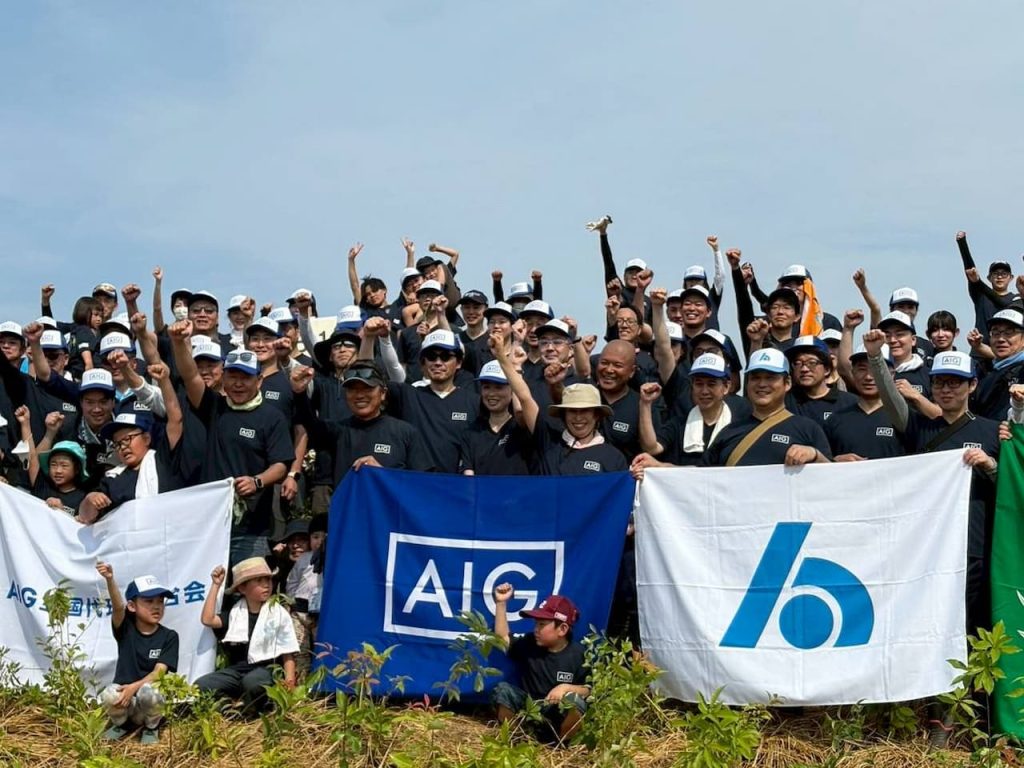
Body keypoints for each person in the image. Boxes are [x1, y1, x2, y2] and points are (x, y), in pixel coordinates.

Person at [866, 335, 998, 634]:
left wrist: (990, 465)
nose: (946, 390)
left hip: (974, 543)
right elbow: (891, 398)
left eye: (955, 383)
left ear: (972, 385)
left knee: (973, 621)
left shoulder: (993, 432)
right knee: (928, 618)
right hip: (926, 544)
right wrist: (875, 358)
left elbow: (1010, 486)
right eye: (939, 383)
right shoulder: (916, 426)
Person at [196, 559, 298, 714]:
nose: (266, 585)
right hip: (237, 671)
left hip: (266, 670)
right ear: (242, 588)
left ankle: (252, 711)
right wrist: (216, 585)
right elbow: (207, 619)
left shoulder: (278, 614)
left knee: (252, 682)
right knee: (202, 685)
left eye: (268, 580)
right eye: (259, 581)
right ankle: (228, 708)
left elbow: (287, 651)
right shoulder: (234, 614)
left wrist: (289, 679)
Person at [491, 584, 589, 744]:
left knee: (575, 701)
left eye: (541, 624)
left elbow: (589, 689)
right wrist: (501, 603)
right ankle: (516, 739)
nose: (536, 629)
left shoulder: (580, 655)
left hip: (556, 717)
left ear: (562, 629)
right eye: (536, 624)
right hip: (529, 710)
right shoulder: (529, 643)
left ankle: (561, 746)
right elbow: (502, 639)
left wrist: (565, 688)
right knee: (503, 690)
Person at [702, 349, 832, 467]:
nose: (762, 384)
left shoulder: (808, 429)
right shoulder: (728, 432)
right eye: (755, 378)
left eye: (770, 377)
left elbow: (831, 477)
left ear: (787, 383)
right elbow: (703, 479)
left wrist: (815, 455)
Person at [95, 563, 178, 745]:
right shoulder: (126, 629)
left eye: (160, 601)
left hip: (148, 704)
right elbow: (118, 608)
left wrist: (133, 687)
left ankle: (151, 727)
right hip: (127, 704)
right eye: (149, 601)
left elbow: (159, 673)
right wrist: (110, 579)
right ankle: (121, 725)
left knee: (150, 692)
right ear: (132, 606)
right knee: (109, 694)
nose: (156, 607)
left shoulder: (169, 636)